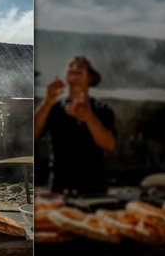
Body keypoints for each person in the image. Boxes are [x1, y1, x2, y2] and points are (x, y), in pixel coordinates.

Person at [34, 55, 116, 196]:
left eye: (81, 65)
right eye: (71, 65)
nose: (75, 67)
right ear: (65, 76)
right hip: (60, 188)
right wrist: (47, 102)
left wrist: (89, 118)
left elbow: (109, 144)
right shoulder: (53, 108)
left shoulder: (102, 109)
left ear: (90, 77)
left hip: (94, 188)